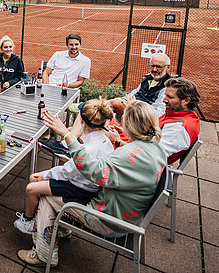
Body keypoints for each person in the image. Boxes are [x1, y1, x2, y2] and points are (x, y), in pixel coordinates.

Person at [17, 101, 167, 267]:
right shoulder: (156, 147)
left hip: (110, 221)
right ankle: (61, 230)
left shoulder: (126, 155)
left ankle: (44, 255)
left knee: (47, 197)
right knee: (60, 190)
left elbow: (92, 170)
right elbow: (127, 158)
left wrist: (66, 135)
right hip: (130, 215)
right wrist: (117, 142)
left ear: (129, 126)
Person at [13, 98, 114, 235]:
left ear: (82, 120)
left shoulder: (88, 148)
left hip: (79, 189)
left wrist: (44, 175)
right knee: (34, 178)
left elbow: (67, 172)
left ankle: (29, 221)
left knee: (31, 188)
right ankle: (38, 218)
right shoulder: (104, 141)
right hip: (89, 185)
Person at [106, 77, 200, 165]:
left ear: (186, 101)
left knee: (102, 131)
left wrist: (117, 141)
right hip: (140, 144)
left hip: (137, 159)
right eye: (165, 95)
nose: (164, 100)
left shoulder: (180, 129)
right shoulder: (176, 114)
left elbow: (149, 157)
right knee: (106, 124)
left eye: (170, 97)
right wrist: (125, 131)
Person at [108, 53, 171, 121]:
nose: (154, 69)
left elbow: (159, 112)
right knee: (110, 104)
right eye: (152, 66)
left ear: (167, 67)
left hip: (143, 114)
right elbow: (136, 92)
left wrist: (135, 108)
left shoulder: (167, 86)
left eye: (158, 67)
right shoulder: (147, 77)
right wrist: (125, 100)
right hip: (134, 105)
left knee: (116, 104)